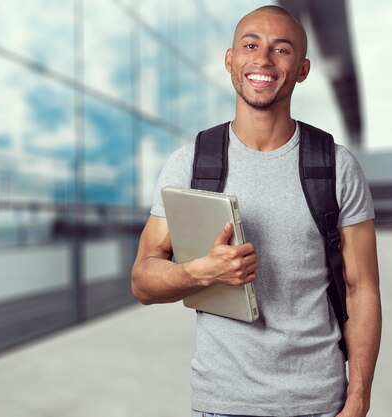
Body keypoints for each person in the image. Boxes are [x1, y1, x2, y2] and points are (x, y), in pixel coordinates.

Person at [131, 5, 381, 417]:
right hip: (222, 402)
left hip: (319, 401)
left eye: (281, 50)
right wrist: (202, 272)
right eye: (250, 45)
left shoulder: (336, 166)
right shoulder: (190, 163)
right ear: (231, 60)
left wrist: (358, 400)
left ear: (302, 69)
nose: (262, 59)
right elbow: (142, 282)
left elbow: (363, 290)